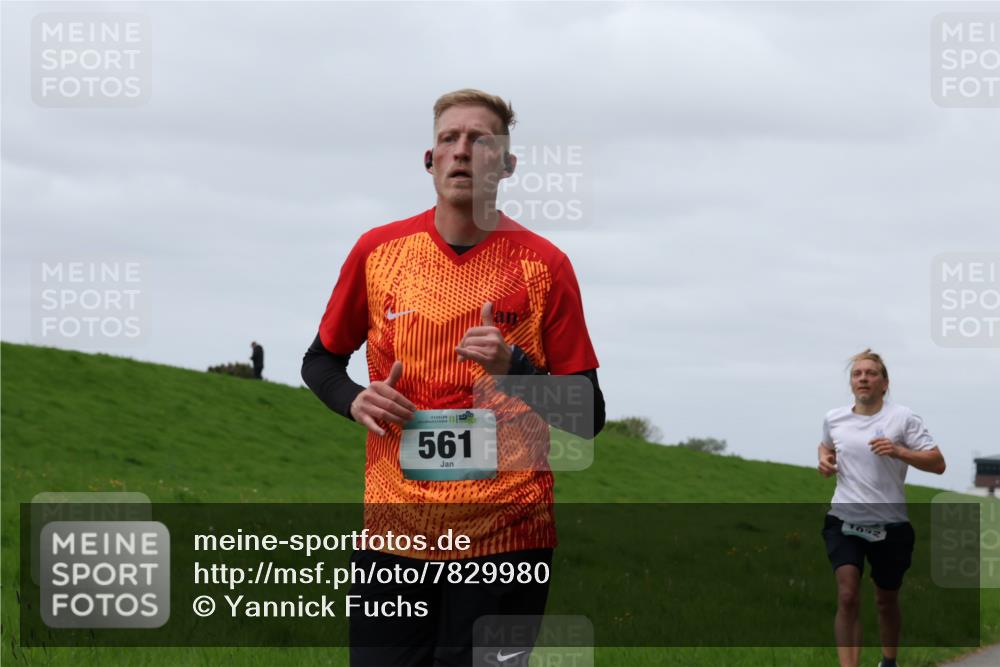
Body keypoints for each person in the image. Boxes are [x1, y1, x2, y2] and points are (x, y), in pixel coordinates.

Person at [301, 89, 605, 667]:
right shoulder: (378, 252)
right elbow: (319, 362)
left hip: (507, 534)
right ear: (430, 159)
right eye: (450, 138)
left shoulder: (546, 266)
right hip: (395, 530)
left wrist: (515, 369)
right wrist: (355, 400)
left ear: (507, 165)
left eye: (481, 139)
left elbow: (588, 418)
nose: (463, 150)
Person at [817, 349, 945, 667]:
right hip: (844, 518)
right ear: (851, 383)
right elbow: (827, 444)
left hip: (891, 524)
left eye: (871, 373)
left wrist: (899, 451)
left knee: (885, 600)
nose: (864, 378)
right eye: (857, 374)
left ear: (884, 383)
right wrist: (824, 458)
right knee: (847, 595)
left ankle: (889, 661)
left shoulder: (902, 418)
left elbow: (938, 463)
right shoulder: (835, 418)